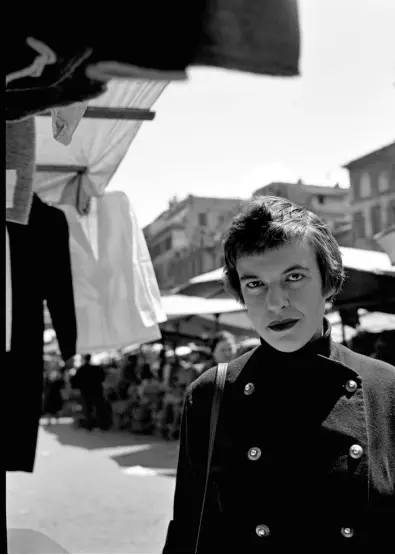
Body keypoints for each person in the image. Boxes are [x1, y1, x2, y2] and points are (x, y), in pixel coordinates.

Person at [163, 196, 395, 554]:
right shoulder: (211, 395)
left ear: (329, 282)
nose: (275, 302)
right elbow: (189, 532)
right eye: (255, 284)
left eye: (294, 277)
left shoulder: (387, 388)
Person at [71, 354, 108, 430]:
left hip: (86, 391)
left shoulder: (82, 369)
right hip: (96, 391)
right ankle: (101, 425)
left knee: (88, 409)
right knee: (98, 408)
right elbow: (103, 377)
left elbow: (75, 381)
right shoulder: (96, 368)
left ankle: (89, 425)